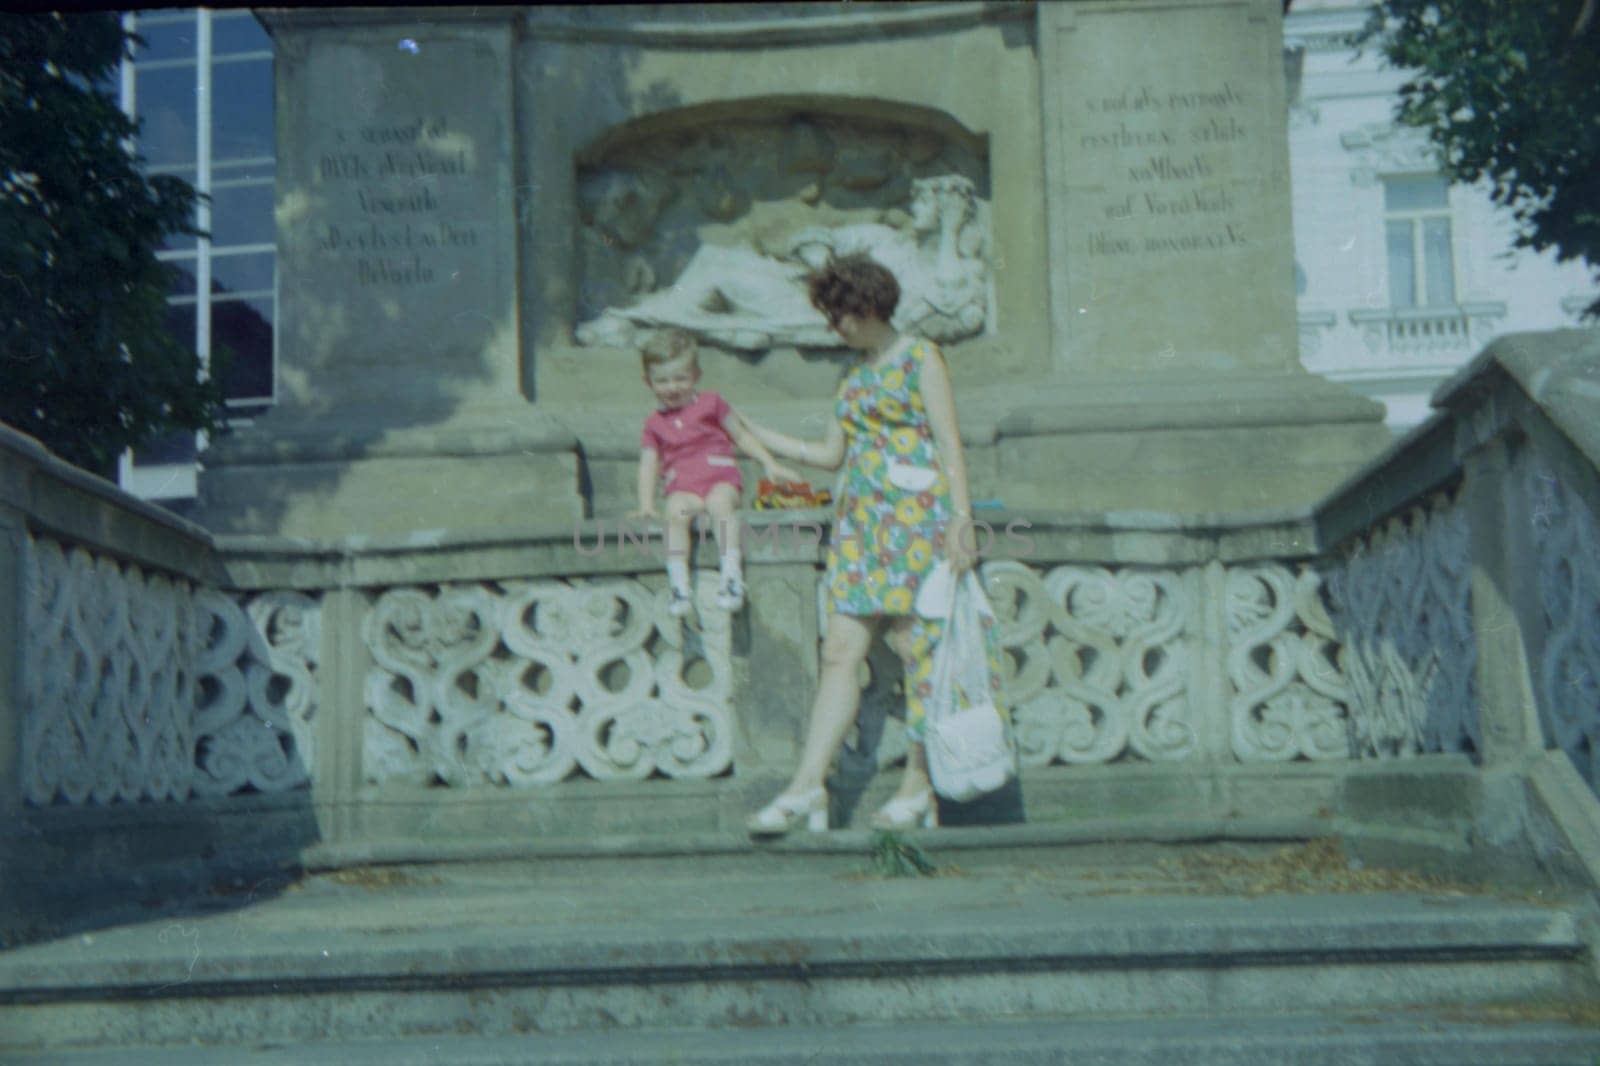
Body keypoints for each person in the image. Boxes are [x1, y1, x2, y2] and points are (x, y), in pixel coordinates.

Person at [738, 254, 1008, 834]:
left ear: (864, 306)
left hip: (917, 522)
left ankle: (919, 785)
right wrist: (762, 437)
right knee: (840, 651)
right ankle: (806, 788)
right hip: (862, 526)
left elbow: (947, 439)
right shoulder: (853, 375)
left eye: (837, 314)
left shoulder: (920, 356)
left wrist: (961, 520)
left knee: (919, 653)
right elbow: (832, 455)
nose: (832, 327)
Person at [629, 330, 799, 616]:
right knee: (675, 510)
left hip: (720, 480)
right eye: (662, 380)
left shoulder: (711, 403)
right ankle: (679, 586)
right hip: (685, 488)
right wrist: (645, 504)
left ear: (696, 375)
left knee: (721, 504)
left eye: (680, 378)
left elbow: (741, 436)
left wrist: (769, 463)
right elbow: (649, 464)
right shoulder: (654, 423)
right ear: (648, 382)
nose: (672, 387)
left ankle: (731, 577)